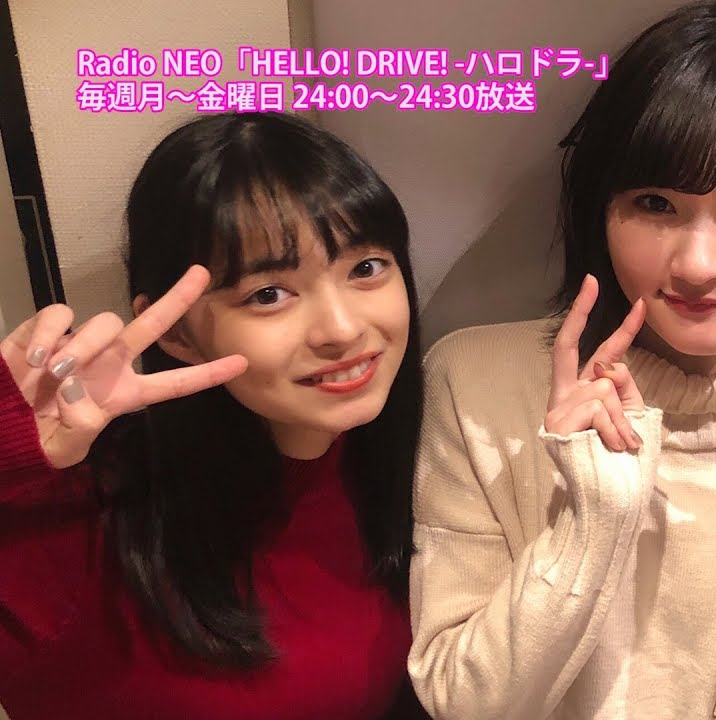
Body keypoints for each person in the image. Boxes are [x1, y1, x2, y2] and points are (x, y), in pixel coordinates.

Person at [407, 1, 716, 717]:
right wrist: (588, 529)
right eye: (655, 203)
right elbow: (462, 703)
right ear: (603, 206)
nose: (697, 265)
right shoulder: (476, 384)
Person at [0, 112, 427, 719]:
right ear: (177, 332)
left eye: (365, 268)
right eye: (268, 294)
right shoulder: (80, 524)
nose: (342, 329)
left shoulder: (417, 460)